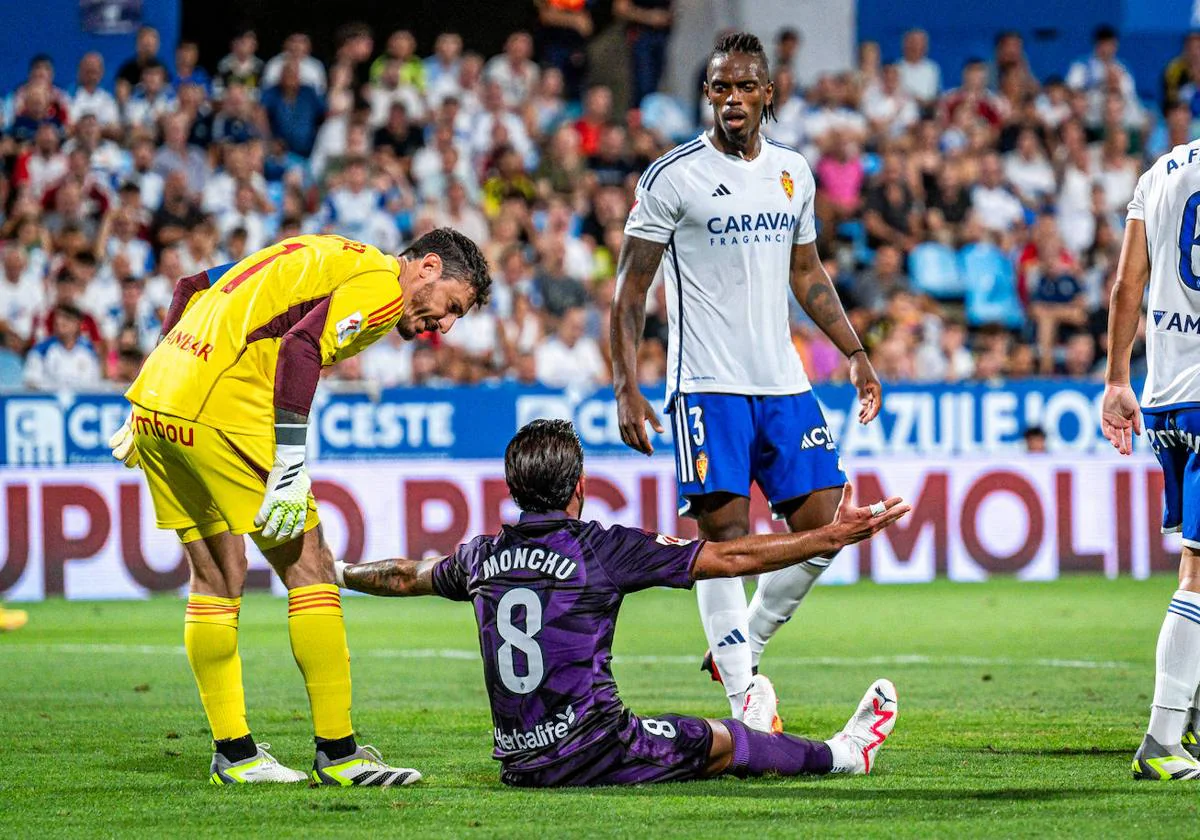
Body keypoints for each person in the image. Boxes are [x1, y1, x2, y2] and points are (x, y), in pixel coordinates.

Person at [107, 229, 491, 785]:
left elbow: (193, 286)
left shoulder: (325, 250)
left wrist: (161, 382)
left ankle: (235, 756)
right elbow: (301, 348)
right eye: (451, 306)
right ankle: (340, 755)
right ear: (428, 266)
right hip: (223, 408)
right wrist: (290, 462)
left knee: (217, 573)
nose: (444, 325)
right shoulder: (383, 288)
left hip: (155, 404)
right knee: (312, 568)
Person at [335, 419, 907, 787]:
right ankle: (846, 753)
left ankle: (757, 718)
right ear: (579, 485)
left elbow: (406, 576)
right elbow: (730, 559)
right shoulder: (600, 549)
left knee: (719, 734)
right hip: (594, 750)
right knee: (727, 744)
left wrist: (334, 572)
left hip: (517, 763)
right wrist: (826, 538)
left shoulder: (481, 555)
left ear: (512, 488)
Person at [612, 31, 882, 721]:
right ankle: (744, 699)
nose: (732, 99)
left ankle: (744, 644)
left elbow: (807, 272)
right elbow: (630, 289)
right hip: (706, 385)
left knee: (828, 523)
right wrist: (626, 384)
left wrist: (853, 352)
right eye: (719, 87)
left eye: (744, 86)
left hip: (784, 382)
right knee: (724, 540)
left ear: (769, 93)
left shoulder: (793, 171)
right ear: (707, 94)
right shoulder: (672, 176)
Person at [1102, 136, 1200, 780]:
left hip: (1168, 403)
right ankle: (1162, 740)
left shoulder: (1161, 170)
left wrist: (1117, 380)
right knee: (1197, 572)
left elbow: (1125, 285)